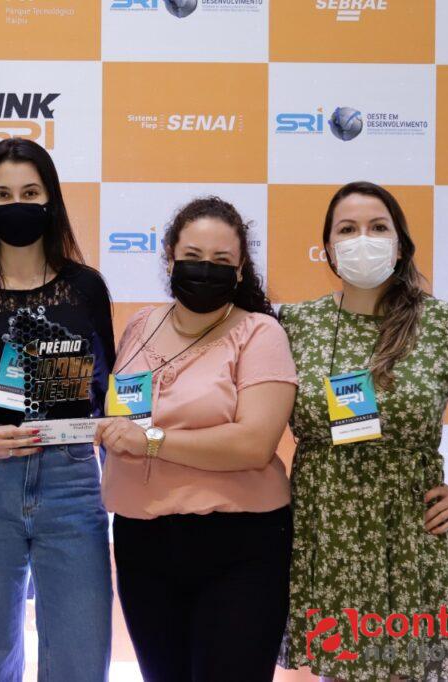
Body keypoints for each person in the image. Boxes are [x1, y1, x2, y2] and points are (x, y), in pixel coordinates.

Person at [277, 181, 448, 682]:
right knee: (339, 671)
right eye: (347, 229)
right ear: (327, 247)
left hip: (412, 536)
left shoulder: (444, 325)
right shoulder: (296, 325)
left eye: (378, 227)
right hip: (327, 531)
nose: (362, 239)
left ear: (400, 245)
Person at [0, 138, 114, 682]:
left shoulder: (85, 288)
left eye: (30, 192)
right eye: (3, 194)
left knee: (82, 660)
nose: (18, 204)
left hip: (71, 481)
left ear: (51, 199)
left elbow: (106, 387)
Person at [97, 196, 298, 682]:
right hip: (142, 542)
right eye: (192, 256)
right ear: (169, 256)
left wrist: (151, 440)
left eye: (221, 260)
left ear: (240, 269)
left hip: (238, 544)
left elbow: (253, 444)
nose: (205, 269)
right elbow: (123, 410)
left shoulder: (260, 333)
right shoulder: (141, 325)